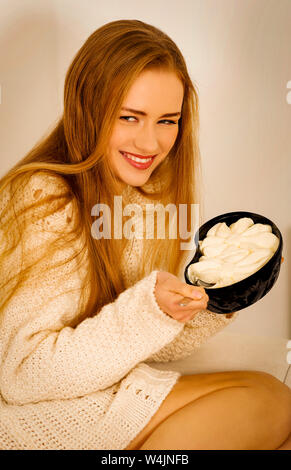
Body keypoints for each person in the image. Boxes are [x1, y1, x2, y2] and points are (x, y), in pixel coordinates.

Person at [0, 19, 290, 451]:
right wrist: (146, 310)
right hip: (32, 413)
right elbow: (22, 376)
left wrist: (218, 298)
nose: (150, 142)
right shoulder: (46, 198)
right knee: (272, 403)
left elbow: (136, 345)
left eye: (167, 120)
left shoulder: (140, 196)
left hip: (92, 389)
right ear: (87, 109)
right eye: (129, 117)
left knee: (273, 403)